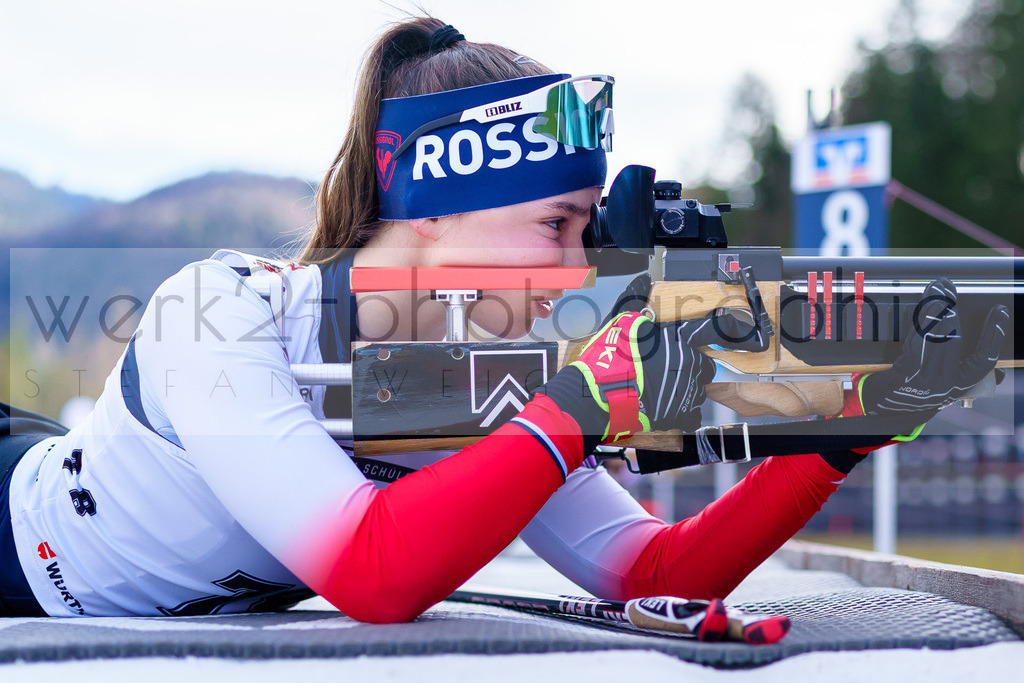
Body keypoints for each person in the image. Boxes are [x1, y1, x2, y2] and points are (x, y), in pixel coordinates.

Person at [0, 17, 1007, 623]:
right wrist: (576, 405)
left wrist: (843, 428)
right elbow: (371, 570)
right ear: (431, 215)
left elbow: (658, 571)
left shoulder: (492, 377)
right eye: (555, 226)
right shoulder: (222, 311)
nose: (582, 267)